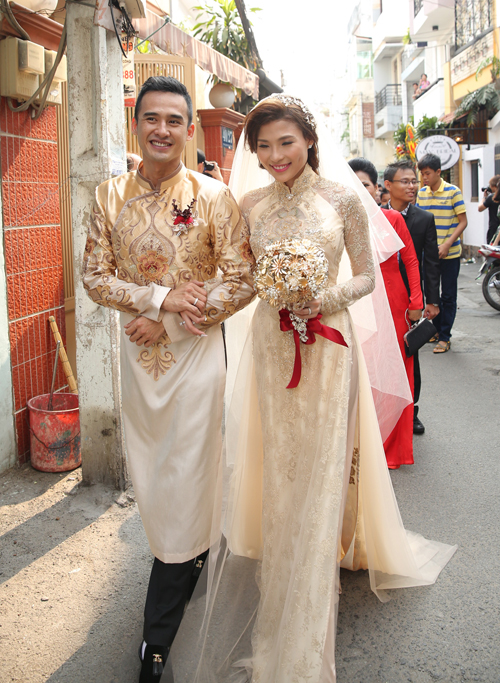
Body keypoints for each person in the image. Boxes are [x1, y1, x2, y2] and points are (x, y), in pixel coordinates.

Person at [180, 95, 456, 683]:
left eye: (286, 142)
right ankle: (285, 568)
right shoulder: (247, 204)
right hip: (272, 349)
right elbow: (243, 280)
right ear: (252, 151)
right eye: (263, 145)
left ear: (308, 139)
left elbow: (362, 276)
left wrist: (318, 300)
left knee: (324, 467)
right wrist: (197, 308)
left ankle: (307, 610)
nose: (275, 155)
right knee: (282, 468)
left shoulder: (341, 199)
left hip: (330, 350)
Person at [82, 75, 255, 683]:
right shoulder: (107, 197)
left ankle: (158, 642)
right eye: (150, 118)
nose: (161, 130)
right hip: (139, 363)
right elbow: (94, 277)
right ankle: (192, 557)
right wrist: (156, 301)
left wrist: (175, 325)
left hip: (199, 360)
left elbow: (242, 279)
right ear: (137, 124)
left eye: (173, 121)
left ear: (188, 129)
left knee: (184, 481)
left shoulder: (214, 197)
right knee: (157, 488)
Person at [349, 157, 423, 468]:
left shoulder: (392, 218)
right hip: (356, 302)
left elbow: (411, 260)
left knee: (393, 371)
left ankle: (392, 447)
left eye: (364, 183)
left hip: (394, 303)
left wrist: (416, 302)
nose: (359, 189)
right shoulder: (339, 219)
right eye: (352, 183)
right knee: (363, 371)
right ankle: (363, 443)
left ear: (376, 188)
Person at [383, 159, 440, 434]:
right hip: (382, 296)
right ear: (388, 185)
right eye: (405, 181)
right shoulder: (376, 217)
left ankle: (411, 410)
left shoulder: (424, 219)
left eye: (414, 181)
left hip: (410, 301)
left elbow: (429, 262)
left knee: (410, 354)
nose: (412, 186)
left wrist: (431, 301)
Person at [417, 153, 467, 353]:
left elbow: (463, 221)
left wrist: (446, 244)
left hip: (450, 255)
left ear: (438, 172)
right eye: (422, 174)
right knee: (431, 295)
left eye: (427, 173)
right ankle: (435, 331)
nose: (424, 177)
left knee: (448, 296)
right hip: (428, 256)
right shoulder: (421, 194)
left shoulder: (453, 192)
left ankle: (445, 337)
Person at [478, 175, 500, 243]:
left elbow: (480, 208)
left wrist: (484, 198)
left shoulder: (492, 198)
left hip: (494, 229)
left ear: (494, 186)